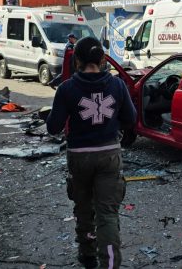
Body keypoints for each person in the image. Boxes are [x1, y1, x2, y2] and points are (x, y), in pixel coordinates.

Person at [46, 37, 136, 269]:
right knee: (107, 215)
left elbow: (53, 127)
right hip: (109, 155)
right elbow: (131, 119)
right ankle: (110, 265)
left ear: (77, 61)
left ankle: (87, 255)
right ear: (103, 59)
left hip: (79, 156)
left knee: (84, 209)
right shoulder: (117, 86)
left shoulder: (67, 88)